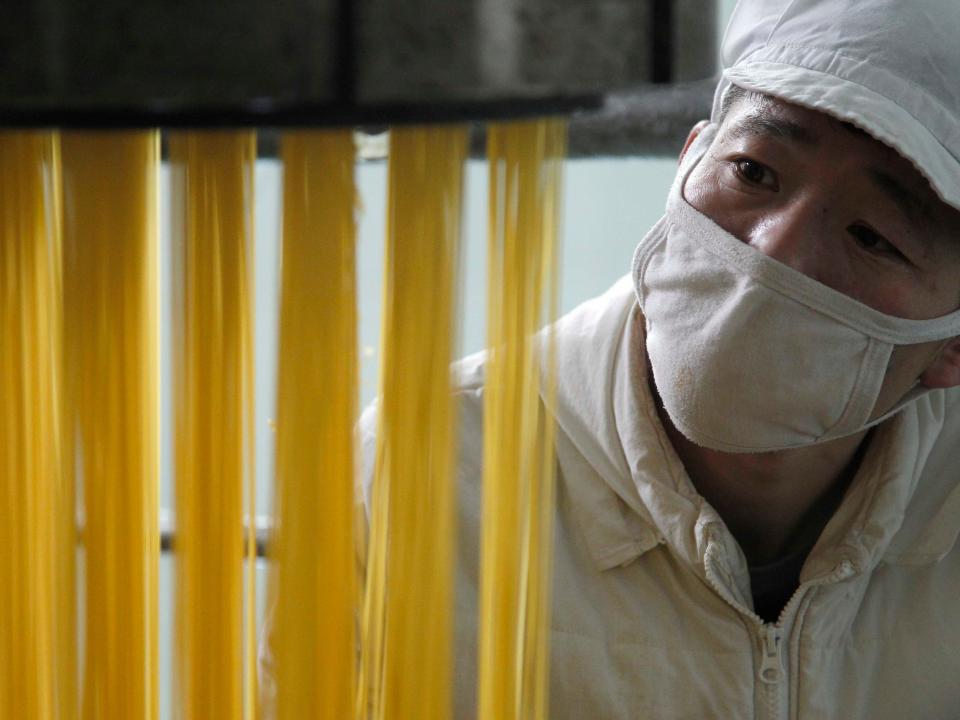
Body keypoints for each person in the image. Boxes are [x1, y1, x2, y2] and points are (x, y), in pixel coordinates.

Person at [263, 0, 960, 716]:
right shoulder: (422, 470)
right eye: (753, 171)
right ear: (690, 156)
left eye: (871, 236)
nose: (772, 251)